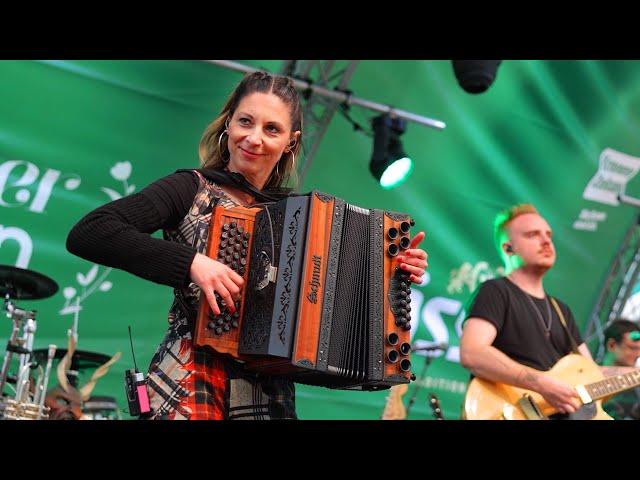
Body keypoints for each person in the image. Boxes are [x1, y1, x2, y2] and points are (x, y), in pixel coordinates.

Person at [66, 71, 428, 420]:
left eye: (271, 129)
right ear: (228, 125)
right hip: (192, 378)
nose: (254, 138)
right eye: (245, 122)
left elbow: (339, 302)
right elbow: (91, 231)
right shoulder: (190, 188)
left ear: (291, 141)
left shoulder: (300, 216)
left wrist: (392, 275)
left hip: (268, 394)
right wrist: (192, 262)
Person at [460, 203, 635, 418]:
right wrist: (542, 384)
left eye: (548, 235)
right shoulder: (495, 291)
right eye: (533, 235)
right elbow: (473, 353)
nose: (546, 241)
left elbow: (593, 374)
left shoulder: (561, 310)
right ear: (508, 248)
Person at [601, 319, 640, 419]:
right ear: (612, 345)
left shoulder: (636, 389)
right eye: (632, 348)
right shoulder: (584, 373)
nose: (638, 354)